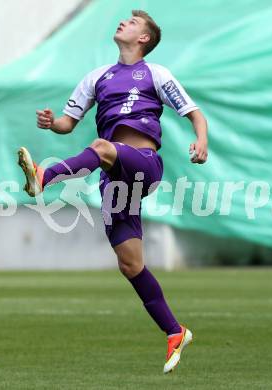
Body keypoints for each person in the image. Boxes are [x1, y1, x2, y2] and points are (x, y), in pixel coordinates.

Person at [18, 10, 208, 374]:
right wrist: (51, 123)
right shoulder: (96, 77)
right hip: (114, 182)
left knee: (102, 146)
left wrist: (201, 141)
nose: (124, 23)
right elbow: (66, 123)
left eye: (133, 23)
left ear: (144, 39)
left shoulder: (157, 74)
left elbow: (194, 113)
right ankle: (174, 331)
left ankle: (45, 177)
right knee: (130, 264)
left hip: (143, 163)